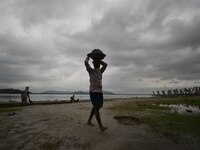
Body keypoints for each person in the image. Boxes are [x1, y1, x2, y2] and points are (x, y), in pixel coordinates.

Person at [84, 54, 108, 132]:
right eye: (95, 62)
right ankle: (101, 126)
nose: (97, 63)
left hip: (100, 92)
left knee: (97, 107)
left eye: (97, 62)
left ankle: (88, 121)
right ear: (93, 64)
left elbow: (105, 64)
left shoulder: (100, 71)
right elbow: (86, 62)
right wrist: (88, 56)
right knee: (96, 108)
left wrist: (99, 60)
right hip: (93, 92)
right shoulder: (91, 71)